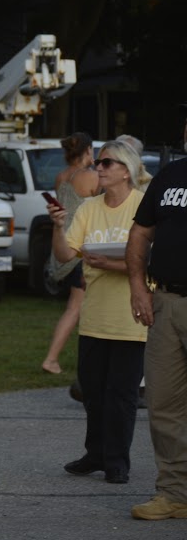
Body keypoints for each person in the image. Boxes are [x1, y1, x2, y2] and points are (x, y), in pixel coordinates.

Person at [51, 140, 148, 485]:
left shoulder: (142, 206)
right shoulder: (90, 208)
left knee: (121, 395)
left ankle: (117, 460)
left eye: (106, 163)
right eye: (99, 163)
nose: (99, 169)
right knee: (93, 391)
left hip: (130, 318)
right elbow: (65, 256)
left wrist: (109, 263)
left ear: (126, 170)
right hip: (94, 318)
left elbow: (150, 264)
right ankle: (95, 453)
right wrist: (58, 226)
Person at [127, 129, 187, 519]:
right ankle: (175, 493)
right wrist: (138, 286)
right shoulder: (169, 175)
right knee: (163, 402)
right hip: (165, 301)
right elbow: (141, 232)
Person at [41, 133, 101, 374]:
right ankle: (51, 359)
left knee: (75, 307)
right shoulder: (90, 177)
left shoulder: (62, 176)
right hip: (80, 248)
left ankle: (58, 358)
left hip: (63, 244)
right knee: (75, 308)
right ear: (88, 150)